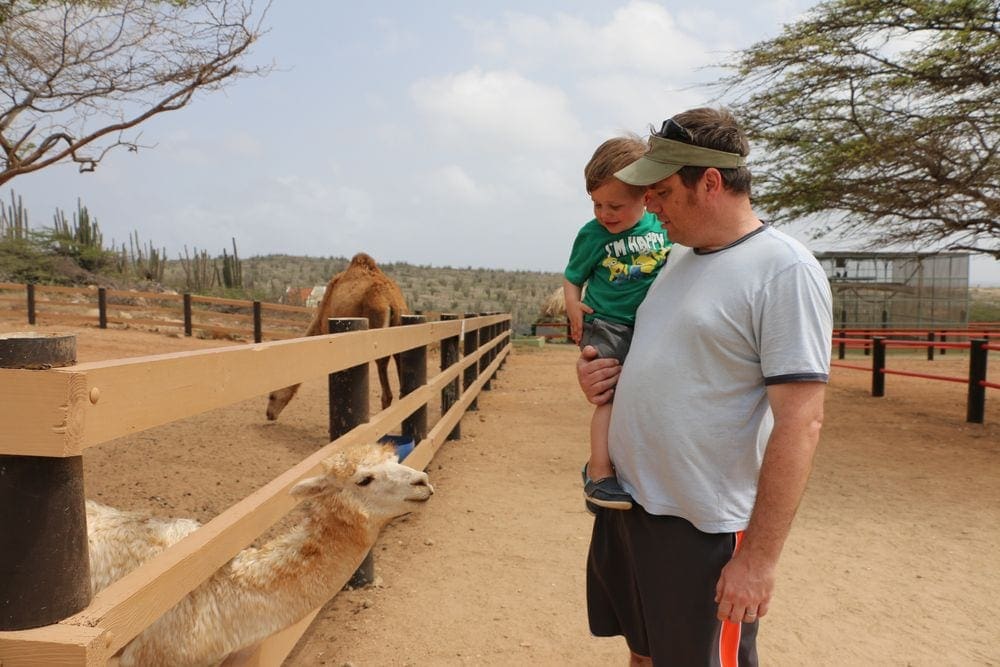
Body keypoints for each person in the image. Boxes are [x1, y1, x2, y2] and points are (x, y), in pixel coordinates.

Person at [577, 107, 832, 665]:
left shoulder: (783, 270)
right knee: (643, 653)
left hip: (702, 527)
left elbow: (801, 421)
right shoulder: (677, 259)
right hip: (635, 507)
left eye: (663, 192)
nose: (652, 207)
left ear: (710, 183)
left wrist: (758, 562)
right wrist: (598, 374)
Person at [563, 135, 671, 511]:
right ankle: (600, 473)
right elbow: (573, 276)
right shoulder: (591, 235)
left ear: (646, 197)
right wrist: (574, 308)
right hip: (605, 323)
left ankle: (633, 471)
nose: (604, 214)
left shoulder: (662, 227)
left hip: (649, 325)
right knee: (607, 394)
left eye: (615, 205)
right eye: (596, 204)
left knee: (641, 396)